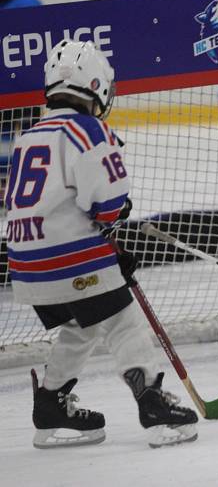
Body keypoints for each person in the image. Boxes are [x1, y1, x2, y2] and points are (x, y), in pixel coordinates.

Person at [6, 39, 197, 449]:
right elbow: (108, 204)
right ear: (98, 86)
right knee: (123, 321)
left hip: (24, 266)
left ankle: (50, 407)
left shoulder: (28, 136)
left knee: (80, 326)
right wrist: (111, 233)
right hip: (70, 258)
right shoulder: (87, 128)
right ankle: (153, 404)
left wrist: (105, 252)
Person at [1, 0, 42, 203]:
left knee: (32, 137)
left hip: (24, 89)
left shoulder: (26, 3)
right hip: (13, 90)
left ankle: (32, 185)